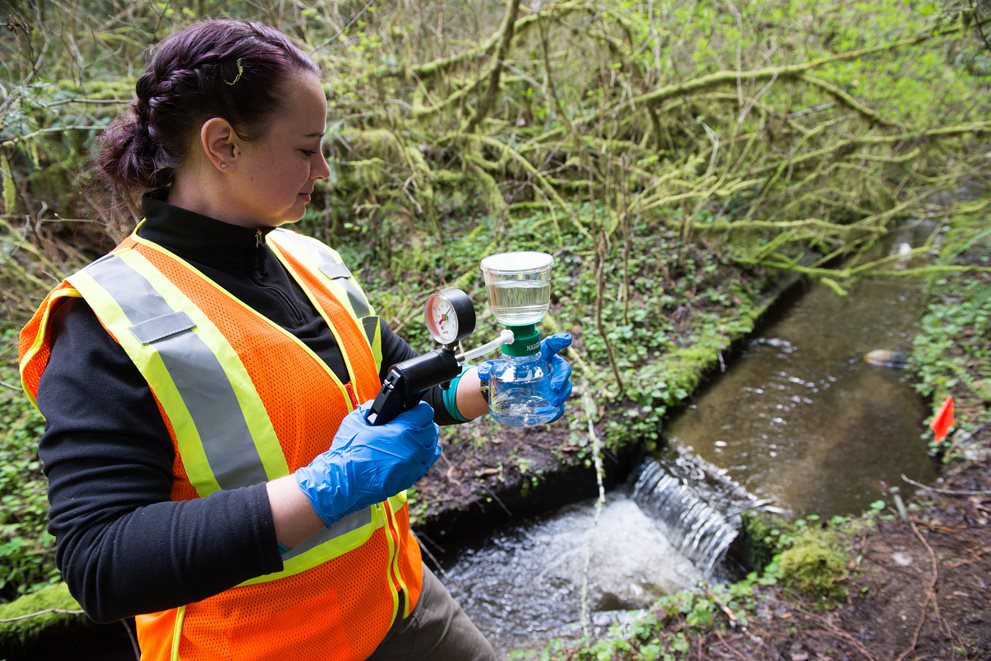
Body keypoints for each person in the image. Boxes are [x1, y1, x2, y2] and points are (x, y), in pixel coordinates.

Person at [17, 18, 573, 661]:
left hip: (400, 605)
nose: (325, 169)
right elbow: (102, 561)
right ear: (222, 143)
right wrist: (326, 487)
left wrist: (494, 384)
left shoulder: (310, 259)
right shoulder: (106, 320)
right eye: (307, 149)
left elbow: (401, 386)